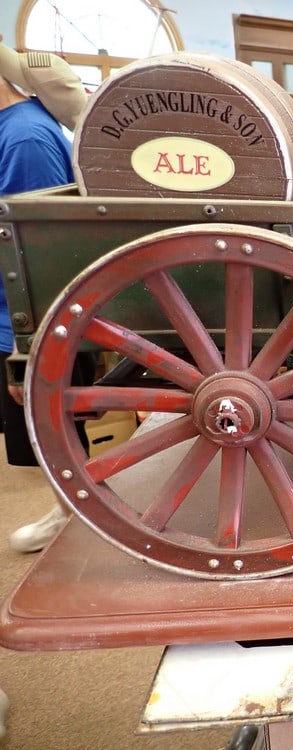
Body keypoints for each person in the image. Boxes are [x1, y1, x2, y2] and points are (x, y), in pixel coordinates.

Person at [0, 39, 85, 555]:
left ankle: (71, 509)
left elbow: (40, 249)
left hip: (27, 309)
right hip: (18, 309)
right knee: (39, 421)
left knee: (45, 413)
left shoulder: (24, 138)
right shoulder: (19, 131)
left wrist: (28, 342)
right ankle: (71, 507)